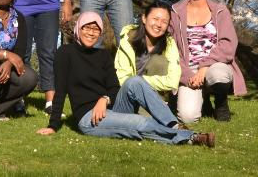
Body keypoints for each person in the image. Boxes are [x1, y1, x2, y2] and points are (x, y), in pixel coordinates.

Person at [37, 11, 214, 148]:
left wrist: (104, 99)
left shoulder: (104, 55)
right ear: (78, 29)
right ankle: (191, 137)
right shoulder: (65, 53)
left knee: (134, 81)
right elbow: (60, 90)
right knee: (139, 123)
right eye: (86, 28)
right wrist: (53, 126)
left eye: (95, 29)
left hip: (111, 107)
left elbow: (114, 88)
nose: (91, 33)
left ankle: (173, 125)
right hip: (89, 117)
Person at [169, 0, 247, 123]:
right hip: (188, 70)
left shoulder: (220, 10)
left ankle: (220, 102)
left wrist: (204, 67)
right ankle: (203, 102)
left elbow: (228, 44)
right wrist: (187, 75)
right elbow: (171, 50)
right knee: (188, 117)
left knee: (219, 74)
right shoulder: (175, 12)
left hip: (214, 66)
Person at [114, 1, 181, 102]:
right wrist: (137, 84)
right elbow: (123, 80)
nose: (159, 24)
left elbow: (172, 81)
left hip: (155, 98)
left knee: (159, 62)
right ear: (144, 18)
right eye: (155, 19)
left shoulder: (169, 43)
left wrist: (138, 81)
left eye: (164, 22)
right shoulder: (128, 39)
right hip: (129, 95)